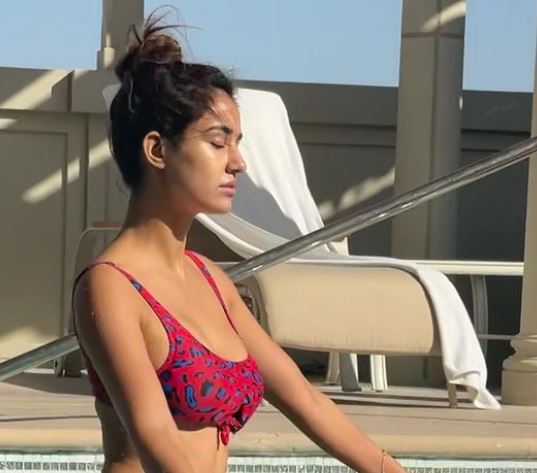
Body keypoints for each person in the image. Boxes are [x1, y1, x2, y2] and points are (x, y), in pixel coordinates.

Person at [72, 10, 408, 473]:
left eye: (237, 143)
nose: (238, 163)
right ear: (157, 150)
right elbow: (155, 439)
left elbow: (305, 399)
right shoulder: (111, 287)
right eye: (218, 142)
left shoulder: (210, 280)